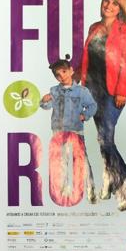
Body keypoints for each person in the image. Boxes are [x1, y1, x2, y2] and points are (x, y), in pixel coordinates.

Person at [77, 0, 126, 211]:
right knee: (102, 139)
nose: (109, 6)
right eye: (107, 1)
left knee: (106, 140)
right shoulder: (94, 27)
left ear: (121, 8)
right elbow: (88, 57)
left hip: (114, 90)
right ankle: (114, 184)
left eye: (115, 4)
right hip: (92, 89)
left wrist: (123, 90)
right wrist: (76, 75)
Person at [40, 56, 98, 206]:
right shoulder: (54, 91)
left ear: (71, 71)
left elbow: (92, 106)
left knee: (82, 162)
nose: (62, 76)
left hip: (75, 131)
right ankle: (64, 192)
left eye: (64, 72)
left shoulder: (81, 91)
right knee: (61, 162)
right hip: (58, 132)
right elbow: (47, 107)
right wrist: (44, 101)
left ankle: (91, 191)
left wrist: (84, 115)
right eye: (57, 75)